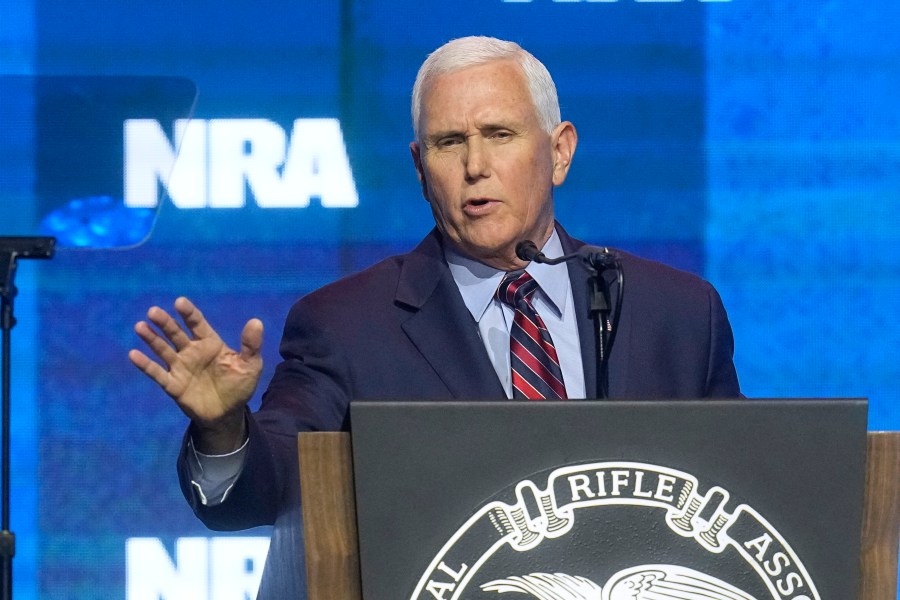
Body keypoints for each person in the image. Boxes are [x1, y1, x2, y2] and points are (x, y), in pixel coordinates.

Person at [129, 36, 740, 599]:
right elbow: (277, 484)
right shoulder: (346, 326)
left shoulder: (677, 313)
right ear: (421, 170)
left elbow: (742, 499)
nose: (476, 165)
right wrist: (224, 431)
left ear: (559, 152)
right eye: (451, 143)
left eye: (500, 134)